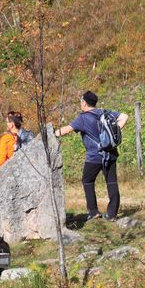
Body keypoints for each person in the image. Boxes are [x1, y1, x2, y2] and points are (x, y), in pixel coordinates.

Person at [54, 91, 129, 221]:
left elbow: (66, 130)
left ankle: (94, 212)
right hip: (110, 154)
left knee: (87, 181)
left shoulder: (83, 118)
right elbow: (125, 116)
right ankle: (112, 214)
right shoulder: (105, 112)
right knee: (111, 182)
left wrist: (53, 133)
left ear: (84, 102)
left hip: (94, 157)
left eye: (81, 101)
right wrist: (114, 131)